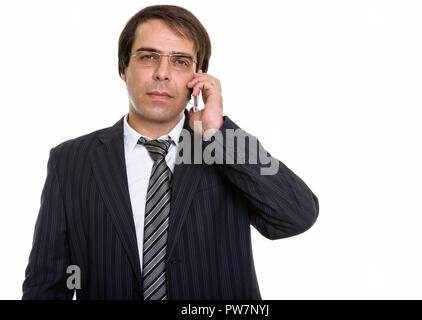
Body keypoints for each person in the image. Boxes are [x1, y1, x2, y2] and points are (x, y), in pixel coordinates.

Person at [22, 5, 319, 300]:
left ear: (197, 78)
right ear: (123, 68)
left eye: (179, 61)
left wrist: (218, 133)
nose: (162, 73)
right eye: (148, 57)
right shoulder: (71, 160)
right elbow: (46, 285)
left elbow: (297, 215)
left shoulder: (224, 149)